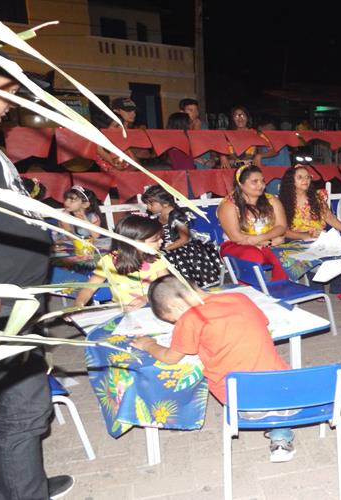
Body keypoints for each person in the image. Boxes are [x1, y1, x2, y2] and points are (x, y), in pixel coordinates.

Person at [0, 53, 74, 498]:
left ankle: (10, 486)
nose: (11, 103)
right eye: (8, 89)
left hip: (12, 300)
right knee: (22, 409)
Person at [130, 275, 296, 462]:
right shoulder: (239, 298)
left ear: (177, 306)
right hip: (285, 390)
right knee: (265, 374)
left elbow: (170, 358)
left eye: (174, 320)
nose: (177, 323)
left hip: (241, 401)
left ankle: (268, 415)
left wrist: (148, 345)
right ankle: (280, 434)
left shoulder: (190, 318)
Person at [73, 214, 170, 308]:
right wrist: (78, 304)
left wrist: (146, 298)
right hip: (123, 309)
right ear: (135, 241)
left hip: (153, 305)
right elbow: (89, 288)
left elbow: (167, 285)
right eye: (155, 239)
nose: (161, 241)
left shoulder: (156, 258)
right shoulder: (109, 261)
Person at [217, 165, 289, 281]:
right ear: (240, 184)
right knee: (253, 255)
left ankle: (281, 288)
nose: (261, 185)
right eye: (255, 181)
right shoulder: (228, 205)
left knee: (283, 254)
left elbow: (281, 226)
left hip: (263, 242)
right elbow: (236, 237)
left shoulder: (271, 200)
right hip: (235, 246)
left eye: (262, 181)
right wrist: (267, 242)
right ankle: (251, 292)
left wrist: (262, 240)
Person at [142, 185, 224, 288]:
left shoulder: (176, 216)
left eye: (151, 204)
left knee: (180, 271)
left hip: (182, 249)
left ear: (165, 203)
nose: (148, 207)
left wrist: (165, 249)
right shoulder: (156, 217)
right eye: (147, 204)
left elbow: (185, 238)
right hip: (168, 247)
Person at [278, 164, 341, 240]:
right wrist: (307, 236)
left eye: (308, 177)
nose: (305, 180)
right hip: (294, 241)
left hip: (319, 239)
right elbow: (282, 230)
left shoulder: (317, 198)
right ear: (290, 181)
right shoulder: (282, 203)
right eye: (300, 177)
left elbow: (329, 217)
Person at [96, 97, 139, 171]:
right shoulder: (102, 139)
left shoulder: (126, 132)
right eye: (128, 111)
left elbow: (136, 165)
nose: (133, 114)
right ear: (116, 111)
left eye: (134, 111)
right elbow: (119, 166)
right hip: (112, 177)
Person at [179, 97, 216, 169]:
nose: (195, 113)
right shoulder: (178, 128)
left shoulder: (204, 126)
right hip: (188, 169)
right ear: (182, 112)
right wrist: (196, 130)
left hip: (206, 168)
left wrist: (213, 159)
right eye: (190, 110)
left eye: (196, 110)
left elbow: (212, 146)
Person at [219, 105, 256, 170]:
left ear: (247, 117)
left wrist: (260, 156)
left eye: (242, 115)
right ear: (232, 119)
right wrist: (222, 156)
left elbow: (271, 149)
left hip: (251, 169)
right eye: (236, 116)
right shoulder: (228, 135)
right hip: (232, 169)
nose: (240, 118)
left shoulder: (255, 134)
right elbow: (219, 147)